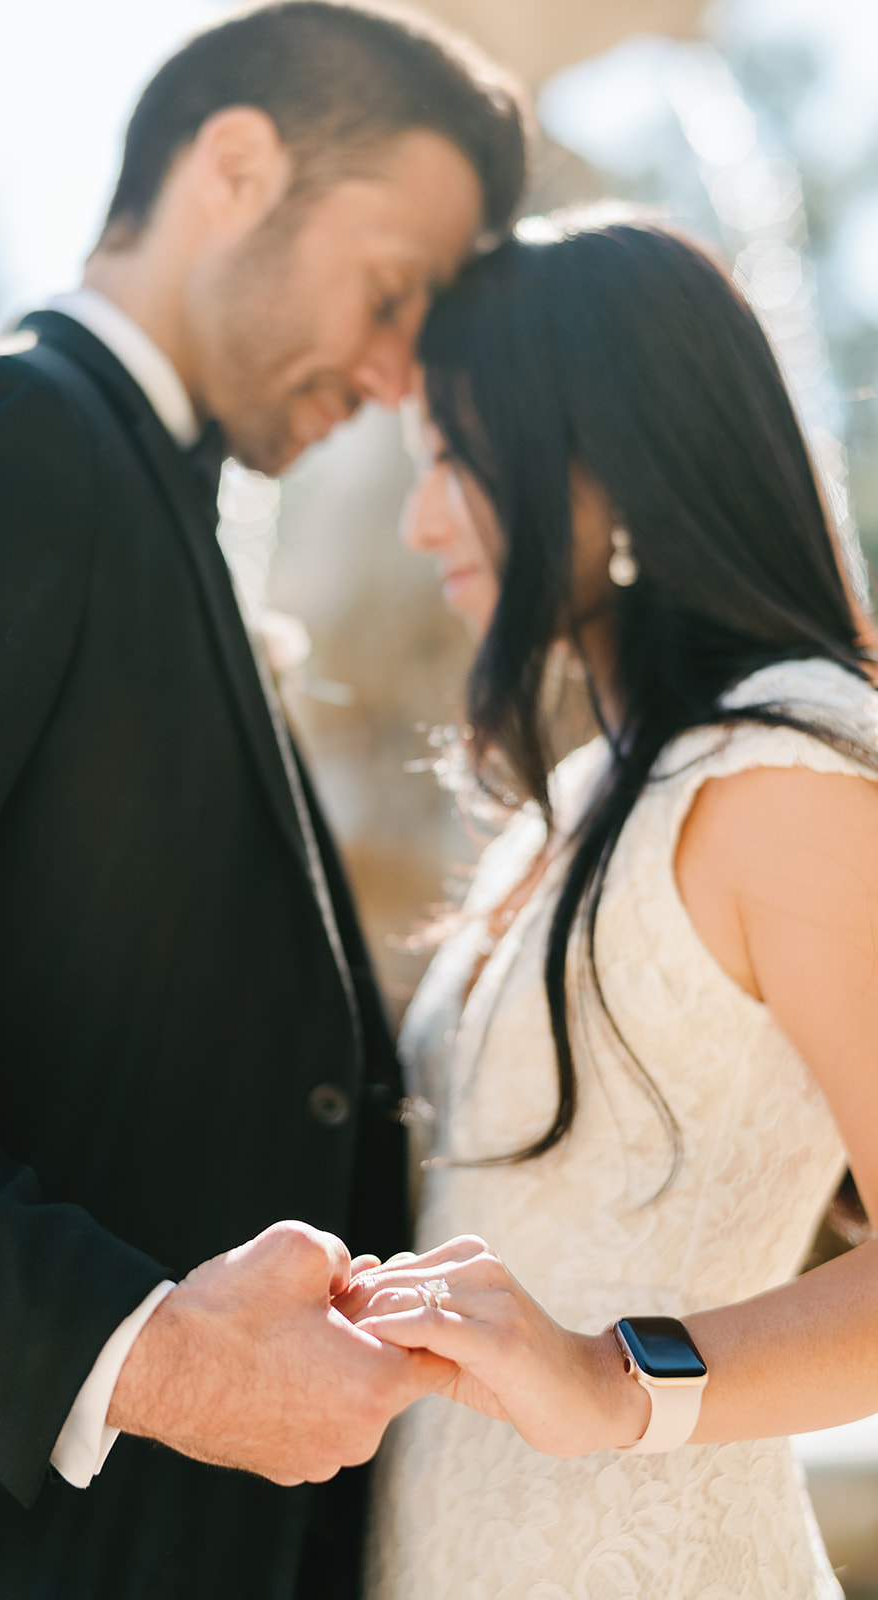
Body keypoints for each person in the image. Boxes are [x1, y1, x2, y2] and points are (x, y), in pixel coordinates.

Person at [0, 7, 528, 1598]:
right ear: (236, 166)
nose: (403, 365)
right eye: (393, 286)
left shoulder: (154, 504)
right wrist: (145, 1359)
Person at [340, 216, 878, 1599]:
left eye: (457, 457)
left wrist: (616, 1374)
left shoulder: (787, 779)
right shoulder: (582, 795)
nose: (420, 519)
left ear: (613, 460)